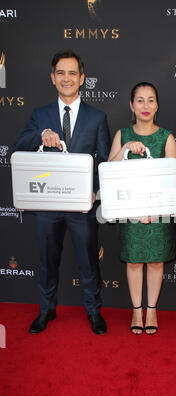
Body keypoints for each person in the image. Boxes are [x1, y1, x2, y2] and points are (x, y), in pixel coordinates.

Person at [13, 49, 111, 335]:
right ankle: (46, 310)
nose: (66, 78)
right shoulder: (39, 114)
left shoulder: (97, 117)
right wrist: (39, 135)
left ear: (82, 78)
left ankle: (94, 312)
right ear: (52, 78)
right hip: (48, 203)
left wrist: (95, 192)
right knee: (47, 261)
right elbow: (19, 144)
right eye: (60, 73)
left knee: (89, 263)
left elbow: (103, 160)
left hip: (82, 206)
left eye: (72, 73)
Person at [108, 82, 176, 335]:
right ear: (131, 105)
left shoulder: (167, 137)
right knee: (135, 262)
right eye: (140, 100)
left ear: (157, 105)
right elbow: (109, 173)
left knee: (157, 262)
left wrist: (154, 211)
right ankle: (136, 310)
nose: (145, 106)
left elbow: (171, 181)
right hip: (130, 212)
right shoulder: (122, 135)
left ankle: (152, 310)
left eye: (150, 100)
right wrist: (125, 149)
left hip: (158, 213)